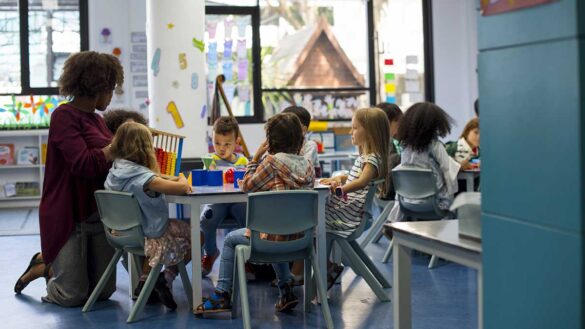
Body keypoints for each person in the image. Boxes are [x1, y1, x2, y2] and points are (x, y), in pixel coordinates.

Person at [14, 51, 123, 307]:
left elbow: (107, 164)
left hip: (96, 215)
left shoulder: (98, 120)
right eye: (111, 88)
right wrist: (116, 148)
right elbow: (83, 164)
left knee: (103, 291)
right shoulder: (63, 116)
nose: (112, 95)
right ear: (98, 87)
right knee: (73, 295)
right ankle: (45, 266)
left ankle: (50, 263)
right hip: (68, 217)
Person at [195, 113, 315, 314]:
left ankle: (223, 293)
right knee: (278, 230)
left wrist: (256, 157)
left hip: (270, 239)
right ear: (300, 139)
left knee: (232, 239)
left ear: (270, 141)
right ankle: (286, 290)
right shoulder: (308, 166)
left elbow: (248, 186)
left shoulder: (270, 163)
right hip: (301, 239)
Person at [105, 121, 192, 310]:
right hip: (148, 235)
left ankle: (145, 282)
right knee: (196, 237)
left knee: (161, 232)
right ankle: (165, 278)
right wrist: (182, 178)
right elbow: (183, 188)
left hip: (121, 234)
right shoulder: (147, 179)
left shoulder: (114, 171)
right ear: (145, 149)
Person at [320, 107, 391, 288]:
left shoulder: (372, 159)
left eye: (355, 128)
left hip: (350, 217)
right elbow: (356, 177)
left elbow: (362, 181)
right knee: (315, 221)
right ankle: (329, 267)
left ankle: (324, 270)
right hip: (351, 214)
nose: (350, 132)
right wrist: (340, 178)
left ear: (370, 133)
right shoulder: (367, 158)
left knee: (315, 223)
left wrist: (340, 190)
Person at [387, 102, 461, 226]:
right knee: (460, 195)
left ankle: (394, 220)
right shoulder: (435, 146)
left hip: (408, 202)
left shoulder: (405, 149)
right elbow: (448, 170)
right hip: (435, 203)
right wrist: (452, 196)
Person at [200, 116, 249, 277]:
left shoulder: (242, 161)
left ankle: (247, 257)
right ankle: (211, 252)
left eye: (227, 144)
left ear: (237, 142)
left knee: (248, 216)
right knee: (206, 218)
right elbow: (205, 182)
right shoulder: (210, 159)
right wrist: (210, 169)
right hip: (217, 203)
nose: (221, 148)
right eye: (217, 143)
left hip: (238, 202)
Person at [375, 102, 403, 200]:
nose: (402, 127)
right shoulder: (387, 142)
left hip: (378, 193)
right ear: (387, 123)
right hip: (390, 194)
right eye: (399, 123)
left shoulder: (375, 142)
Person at [282, 105, 320, 175]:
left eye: (289, 125)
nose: (284, 128)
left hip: (310, 184)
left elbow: (304, 170)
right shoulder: (283, 144)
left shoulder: (309, 145)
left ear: (304, 130)